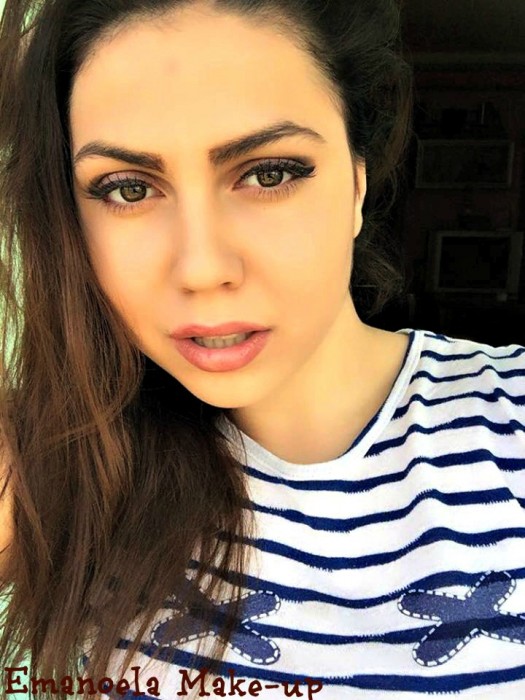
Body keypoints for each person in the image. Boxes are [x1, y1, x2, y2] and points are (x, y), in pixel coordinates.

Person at [0, 0, 525, 698]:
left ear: (358, 182)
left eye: (269, 173)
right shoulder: (55, 457)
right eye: (128, 188)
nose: (201, 267)